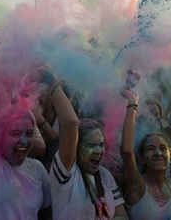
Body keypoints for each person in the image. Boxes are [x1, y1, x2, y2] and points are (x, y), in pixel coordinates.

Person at [0, 35, 51, 219]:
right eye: (14, 134)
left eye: (28, 133)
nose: (23, 140)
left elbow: (46, 215)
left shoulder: (37, 170)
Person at [46, 69, 128, 219]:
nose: (99, 151)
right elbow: (71, 124)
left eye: (101, 144)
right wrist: (51, 80)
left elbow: (122, 215)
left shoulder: (105, 175)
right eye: (91, 145)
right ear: (76, 148)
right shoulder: (66, 174)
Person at [120, 84, 171, 219]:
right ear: (142, 159)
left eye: (163, 148)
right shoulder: (137, 185)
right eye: (151, 149)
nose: (158, 153)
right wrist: (132, 104)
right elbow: (127, 151)